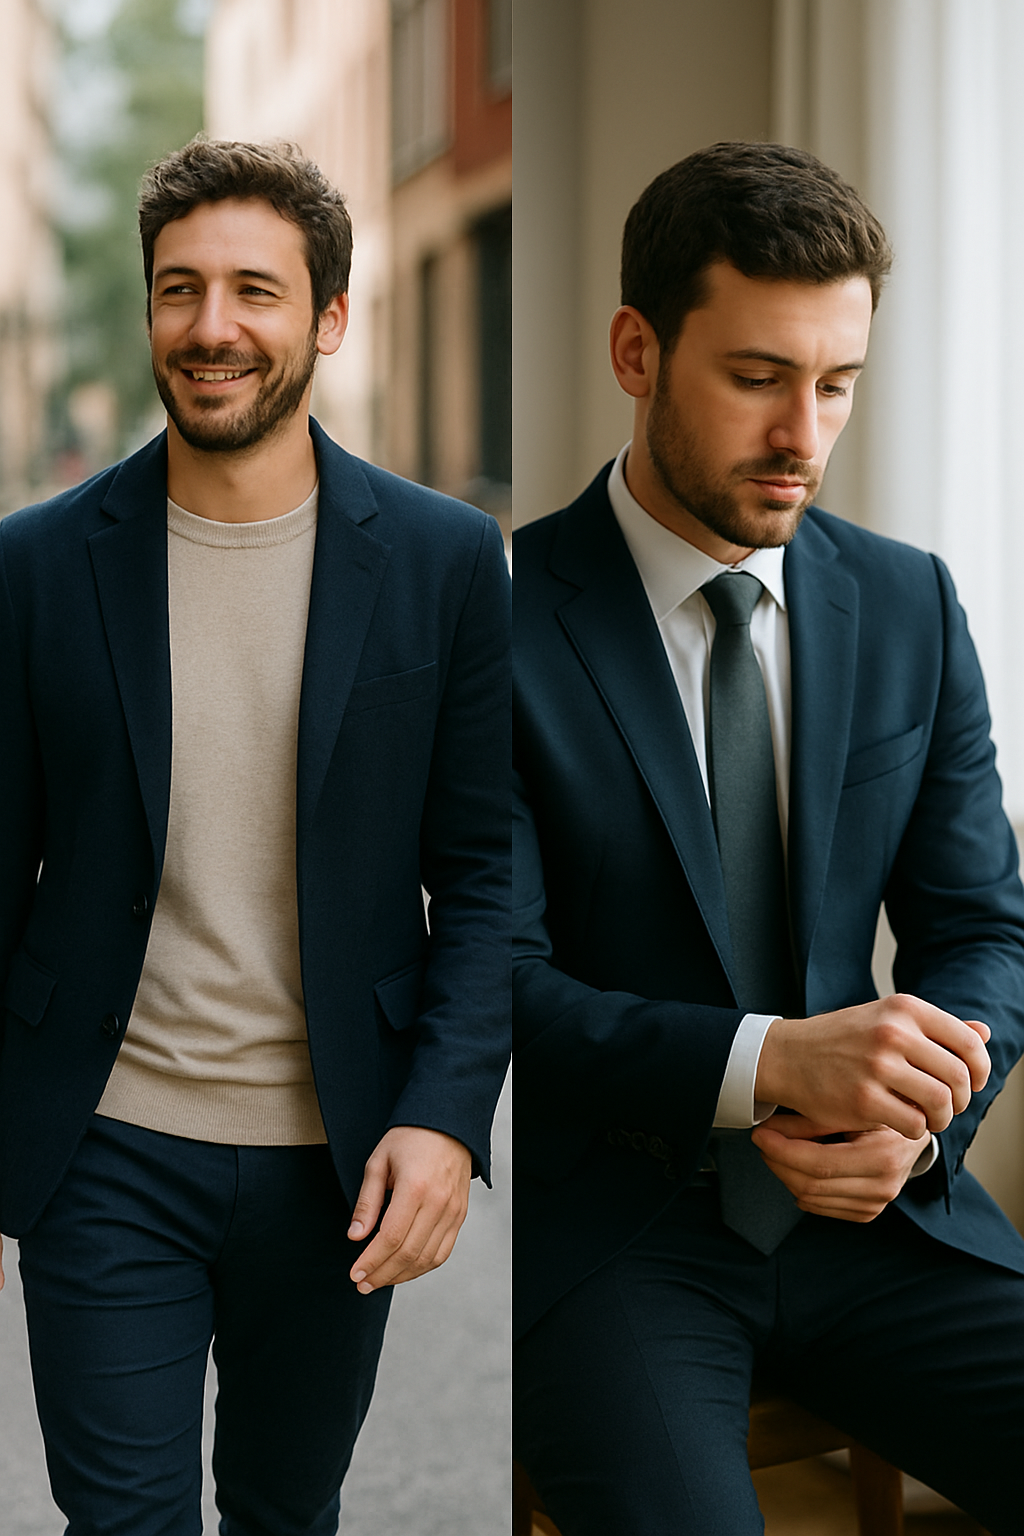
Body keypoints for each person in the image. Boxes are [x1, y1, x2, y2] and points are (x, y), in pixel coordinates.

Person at [512, 141, 1024, 1536]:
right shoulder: (487, 627)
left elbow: (983, 931)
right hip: (614, 1240)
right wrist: (769, 1062)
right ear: (637, 348)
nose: (805, 433)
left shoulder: (911, 603)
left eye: (837, 384)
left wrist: (919, 1127)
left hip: (888, 1216)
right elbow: (490, 988)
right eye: (756, 379)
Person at [0, 136, 509, 1534]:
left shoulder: (449, 563)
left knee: (290, 1513)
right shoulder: (36, 564)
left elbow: (482, 874)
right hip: (103, 1142)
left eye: (254, 291)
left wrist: (447, 1119)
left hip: (335, 1157)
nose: (210, 327)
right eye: (178, 289)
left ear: (329, 318)